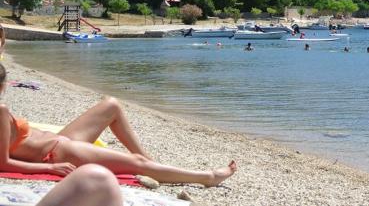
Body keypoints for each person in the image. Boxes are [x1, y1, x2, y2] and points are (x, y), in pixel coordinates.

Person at [0, 25, 237, 187]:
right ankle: (208, 177)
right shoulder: (1, 110)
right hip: (56, 154)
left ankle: (150, 163)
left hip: (60, 141)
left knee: (111, 105)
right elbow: (3, 163)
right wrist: (50, 169)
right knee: (137, 165)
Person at [37, 164, 123, 206]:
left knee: (96, 177)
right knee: (96, 177)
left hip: (57, 145)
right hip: (55, 149)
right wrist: (49, 167)